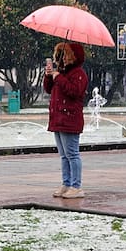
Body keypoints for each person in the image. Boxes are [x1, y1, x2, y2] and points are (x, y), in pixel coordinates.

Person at [43, 42, 89, 199]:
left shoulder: (79, 73)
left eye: (62, 55)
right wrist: (49, 76)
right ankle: (66, 183)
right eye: (58, 55)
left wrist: (59, 77)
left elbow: (74, 92)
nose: (59, 59)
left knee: (72, 154)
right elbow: (49, 89)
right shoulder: (61, 73)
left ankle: (76, 186)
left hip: (70, 119)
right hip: (58, 119)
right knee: (64, 155)